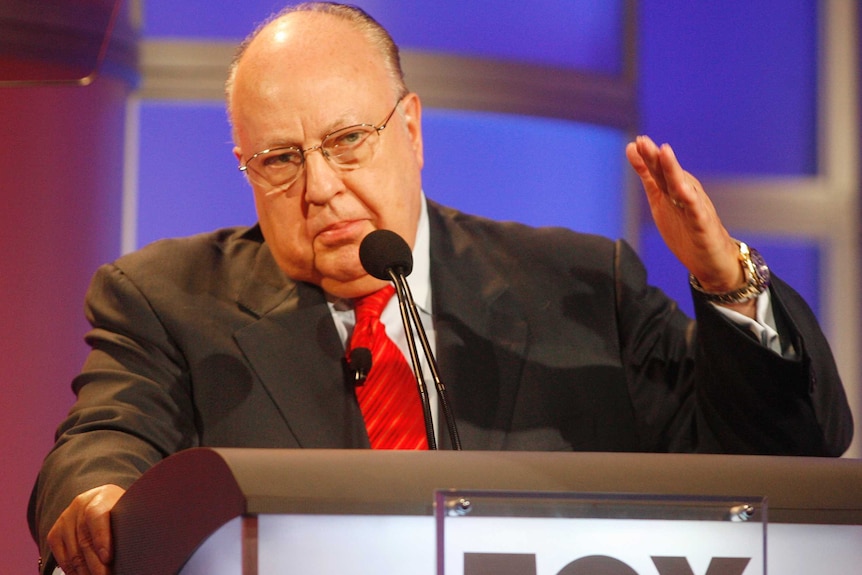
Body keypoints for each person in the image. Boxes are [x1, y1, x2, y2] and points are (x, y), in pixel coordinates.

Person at [28, 2, 853, 574]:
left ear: (412, 130)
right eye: (279, 160)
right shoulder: (167, 298)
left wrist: (726, 283)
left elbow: (783, 453)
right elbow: (105, 434)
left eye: (348, 140)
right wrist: (102, 496)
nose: (319, 188)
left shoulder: (580, 287)